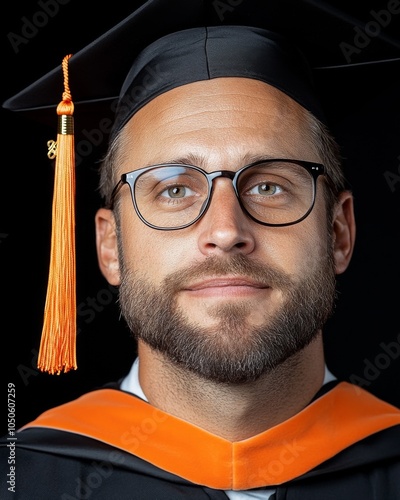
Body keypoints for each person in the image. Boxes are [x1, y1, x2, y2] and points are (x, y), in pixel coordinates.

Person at [1, 0, 400, 498]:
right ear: (109, 246)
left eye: (269, 186)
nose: (225, 229)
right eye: (173, 189)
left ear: (339, 232)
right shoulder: (20, 482)